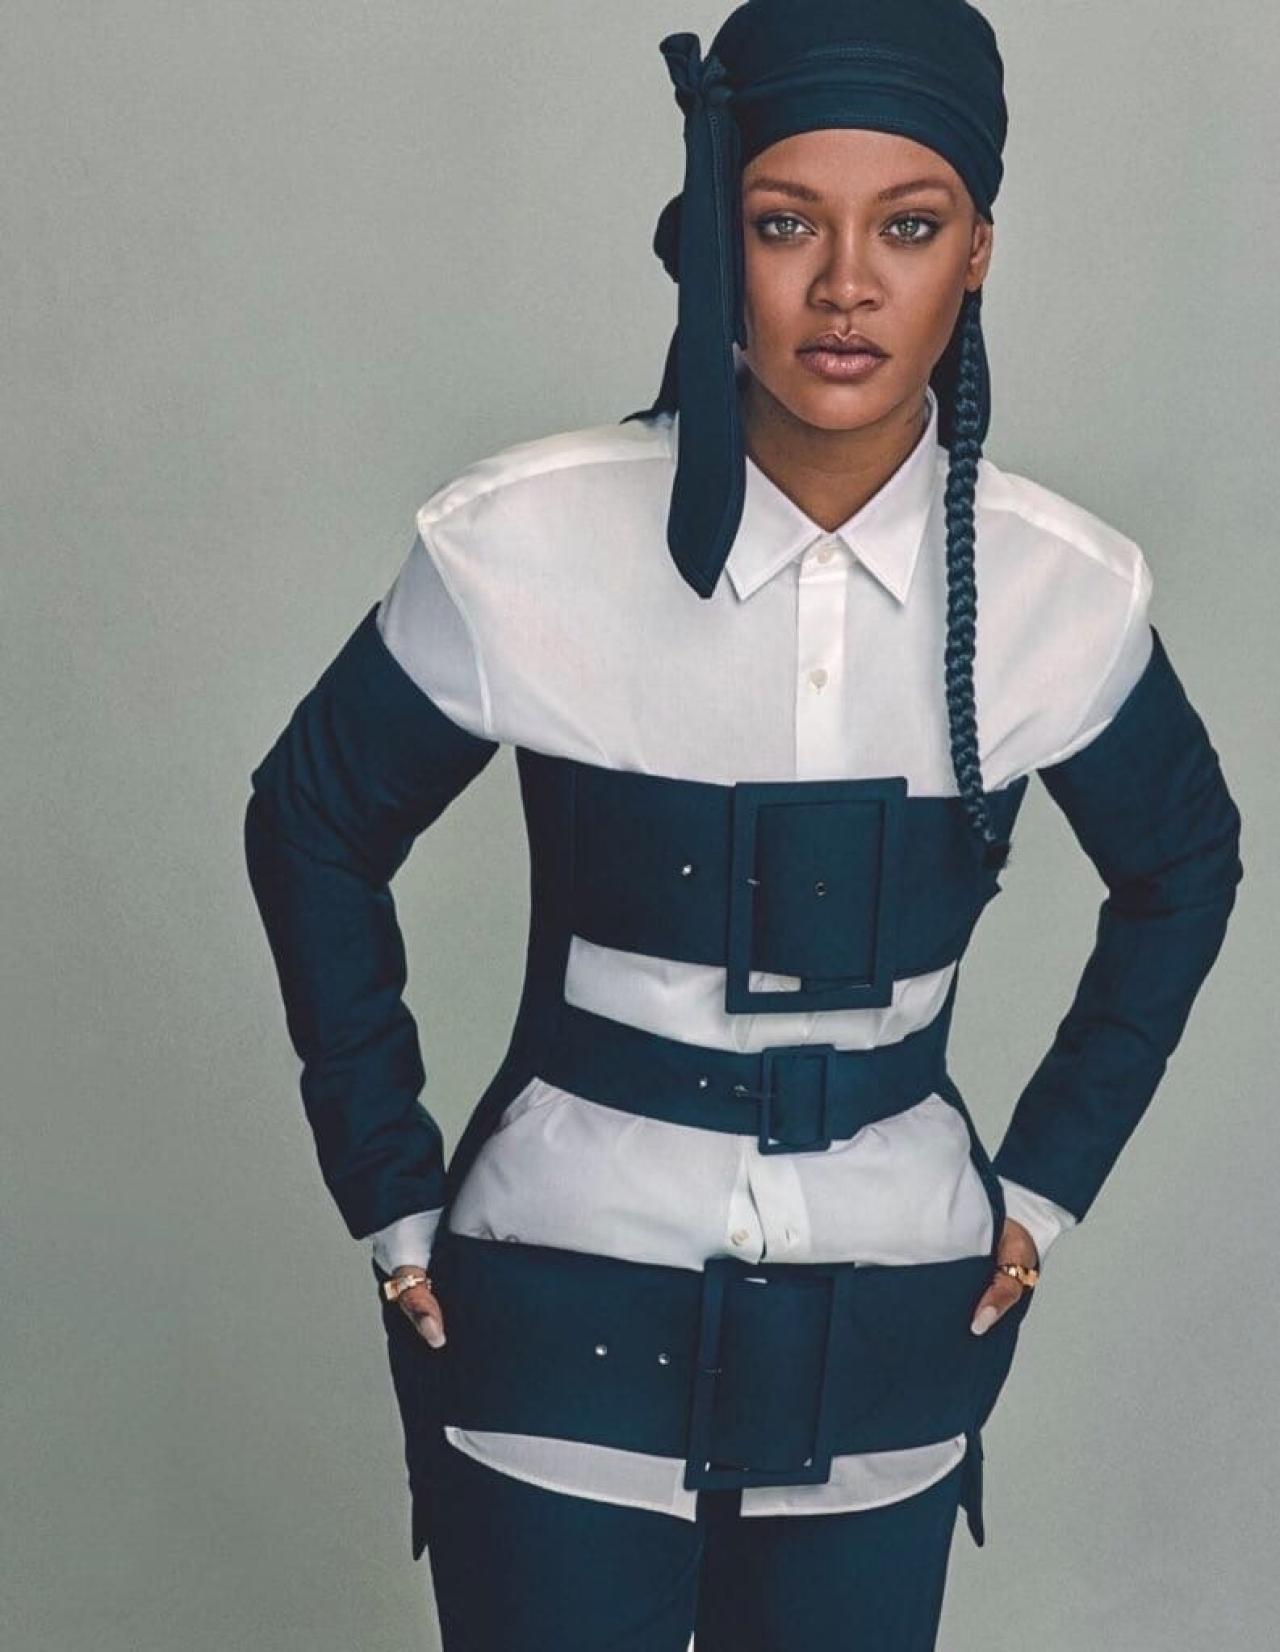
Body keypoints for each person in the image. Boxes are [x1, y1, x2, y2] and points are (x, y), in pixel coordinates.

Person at [243, 2, 1244, 1647]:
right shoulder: (527, 540)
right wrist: (388, 1186)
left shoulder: (1063, 590)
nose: (846, 285)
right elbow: (311, 822)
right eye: (786, 225)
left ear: (977, 252)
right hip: (555, 1317)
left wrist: (1047, 1185)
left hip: (897, 1324)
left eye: (907, 227)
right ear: (720, 243)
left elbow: (1184, 866)